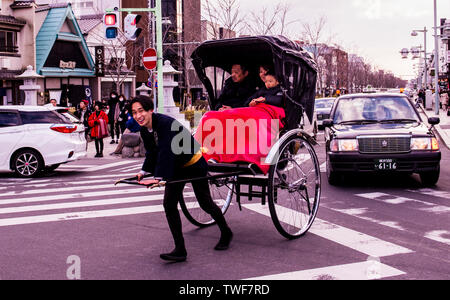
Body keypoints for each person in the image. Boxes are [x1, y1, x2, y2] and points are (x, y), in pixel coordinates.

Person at [131, 95, 233, 262]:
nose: (138, 116)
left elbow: (166, 152)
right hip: (177, 167)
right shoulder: (144, 129)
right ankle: (180, 249)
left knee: (205, 202)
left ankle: (226, 232)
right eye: (134, 113)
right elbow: (152, 153)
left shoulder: (165, 124)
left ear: (150, 110)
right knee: (169, 204)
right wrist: (143, 172)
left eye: (141, 111)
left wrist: (158, 178)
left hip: (193, 162)